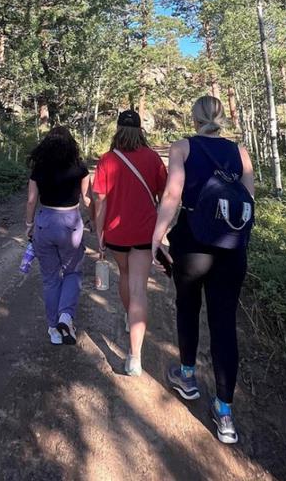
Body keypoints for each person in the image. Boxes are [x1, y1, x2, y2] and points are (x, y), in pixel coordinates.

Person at [151, 95, 254, 445]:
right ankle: (225, 413)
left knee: (188, 308)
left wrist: (156, 238)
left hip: (192, 244)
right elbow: (249, 202)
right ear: (221, 117)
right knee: (224, 325)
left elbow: (171, 196)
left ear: (193, 118)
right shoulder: (240, 152)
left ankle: (188, 376)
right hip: (231, 249)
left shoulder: (181, 147)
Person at [92, 110, 167, 376]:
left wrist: (99, 232)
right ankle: (134, 357)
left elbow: (99, 200)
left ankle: (129, 317)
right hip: (145, 233)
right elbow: (164, 193)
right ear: (139, 131)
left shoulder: (107, 160)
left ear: (118, 129)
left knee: (124, 275)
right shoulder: (153, 158)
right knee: (139, 289)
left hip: (116, 232)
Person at [25, 126, 91, 345]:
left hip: (44, 223)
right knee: (72, 272)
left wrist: (29, 224)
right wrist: (95, 222)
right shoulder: (80, 167)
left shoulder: (39, 167)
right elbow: (87, 199)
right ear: (71, 143)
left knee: (50, 279)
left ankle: (54, 330)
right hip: (70, 223)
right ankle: (66, 315)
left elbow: (31, 200)